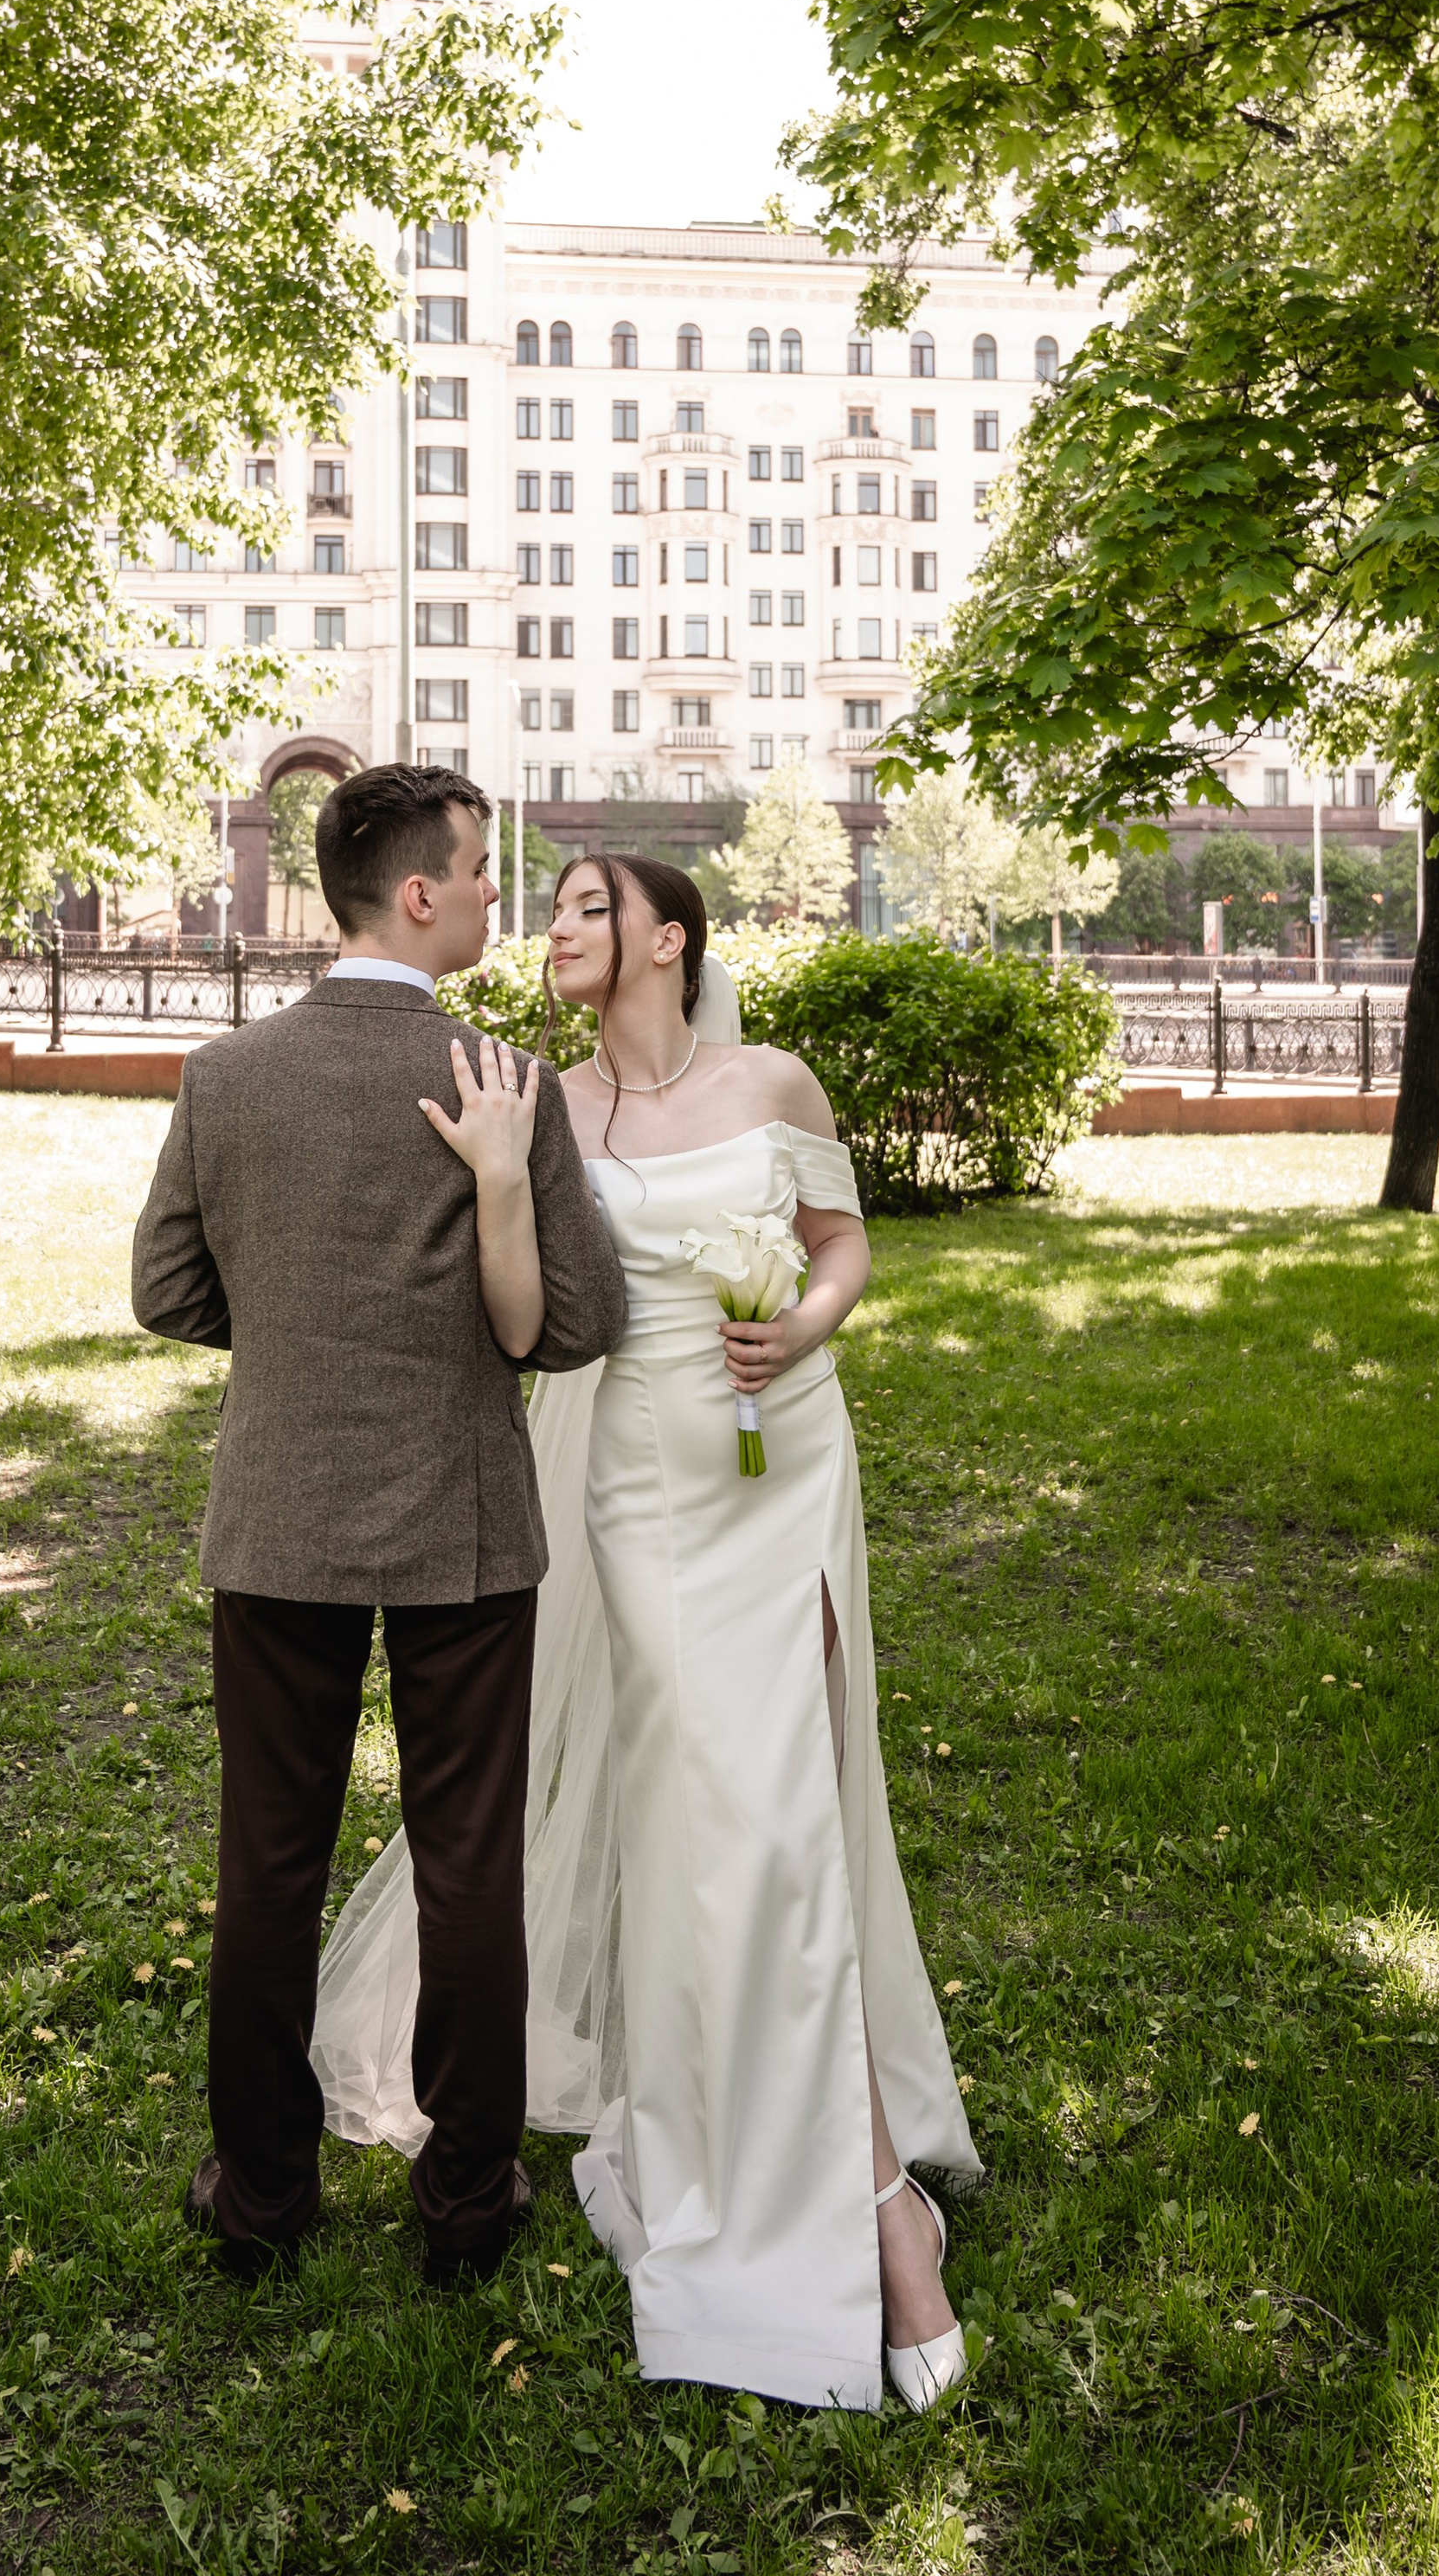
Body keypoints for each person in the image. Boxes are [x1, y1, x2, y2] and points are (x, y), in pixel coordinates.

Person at [312, 853, 978, 2412]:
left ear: (669, 939)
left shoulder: (775, 1079)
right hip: (643, 1488)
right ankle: (873, 2202)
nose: (553, 927)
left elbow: (842, 1249)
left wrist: (800, 1328)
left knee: (796, 1807)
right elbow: (528, 1325)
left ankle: (865, 2185)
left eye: (587, 908)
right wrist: (490, 1179)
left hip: (788, 1458)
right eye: (543, 908)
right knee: (719, 1814)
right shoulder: (539, 1106)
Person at [130, 765, 627, 2285]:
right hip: (464, 1521)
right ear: (417, 893)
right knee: (470, 1861)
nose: (493, 894)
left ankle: (265, 2203)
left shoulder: (226, 1078)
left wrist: (295, 1340)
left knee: (268, 1862)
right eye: (479, 870)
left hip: (276, 1513)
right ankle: (469, 2209)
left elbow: (166, 1290)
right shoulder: (502, 1081)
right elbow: (584, 1320)